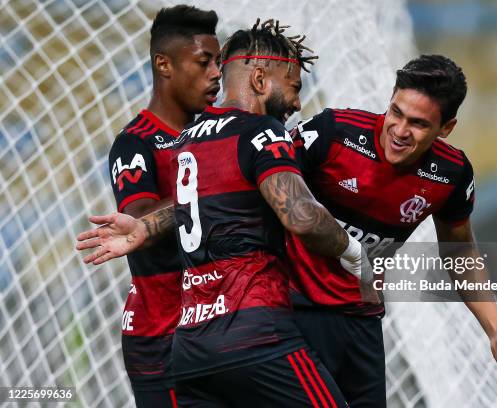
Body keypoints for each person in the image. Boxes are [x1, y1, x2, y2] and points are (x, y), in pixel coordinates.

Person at [77, 19, 370, 407]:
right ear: (261, 80)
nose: (298, 103)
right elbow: (301, 216)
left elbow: (198, 200)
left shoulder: (186, 139)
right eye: (294, 87)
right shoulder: (264, 131)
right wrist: (352, 251)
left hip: (192, 347)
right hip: (256, 333)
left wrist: (146, 227)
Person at [287, 54, 497, 406]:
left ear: (446, 128)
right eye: (396, 112)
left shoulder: (451, 174)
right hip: (292, 308)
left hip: (362, 320)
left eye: (417, 123)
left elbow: (460, 253)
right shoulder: (333, 132)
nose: (399, 132)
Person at [105, 5, 221, 407]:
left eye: (219, 62)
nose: (216, 73)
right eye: (204, 62)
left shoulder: (218, 133)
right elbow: (138, 222)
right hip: (161, 335)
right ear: (164, 65)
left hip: (219, 328)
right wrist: (217, 183)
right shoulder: (135, 142)